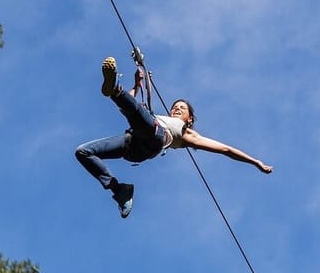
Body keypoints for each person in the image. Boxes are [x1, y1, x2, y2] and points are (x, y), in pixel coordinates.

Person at [75, 56, 273, 218]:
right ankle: (119, 190)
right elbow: (131, 106)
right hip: (130, 143)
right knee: (83, 152)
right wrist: (137, 84)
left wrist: (256, 162)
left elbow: (226, 150)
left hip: (153, 139)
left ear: (190, 119)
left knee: (141, 118)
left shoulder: (187, 134)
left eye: (182, 108)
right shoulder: (160, 118)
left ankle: (115, 90)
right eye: (174, 107)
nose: (176, 108)